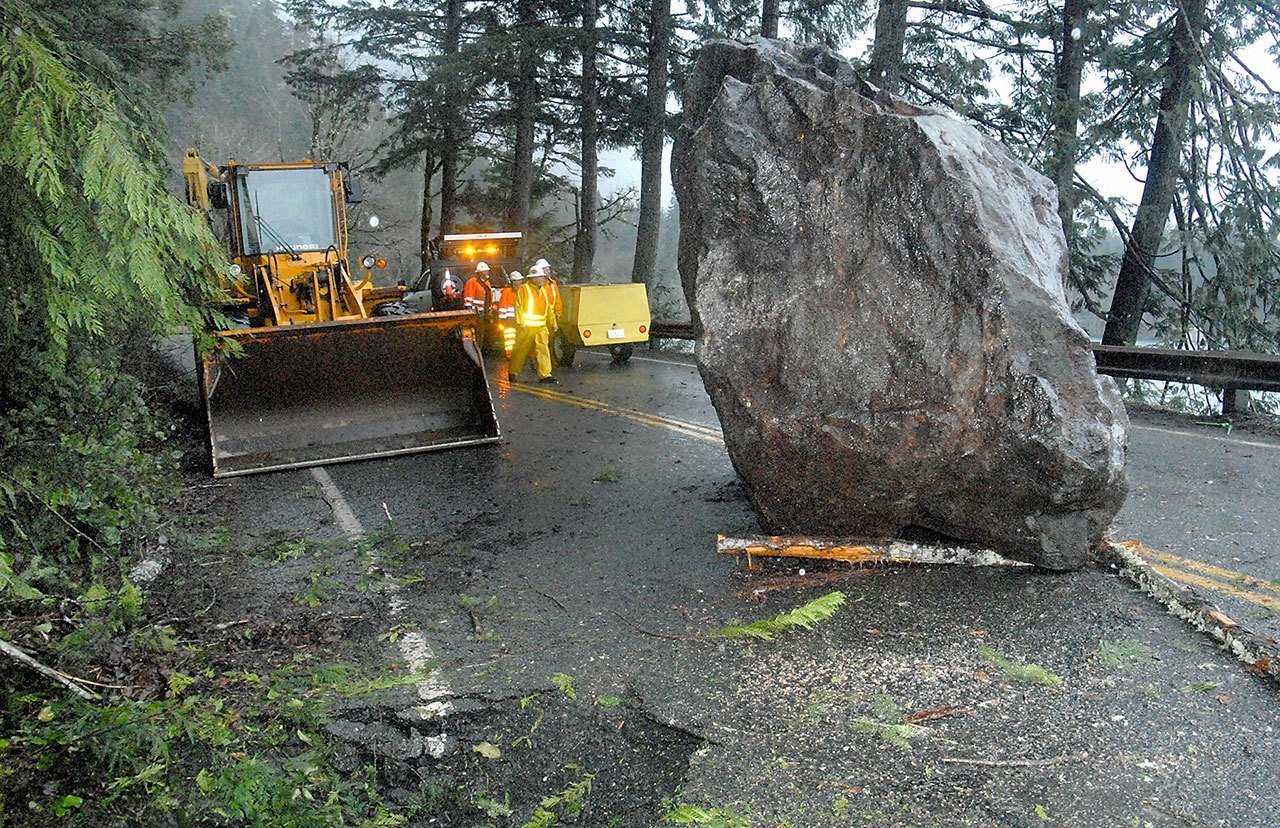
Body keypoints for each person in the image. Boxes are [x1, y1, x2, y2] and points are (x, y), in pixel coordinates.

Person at [510, 263, 557, 383]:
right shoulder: (524, 289)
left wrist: (553, 323)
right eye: (541, 277)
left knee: (543, 349)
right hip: (527, 327)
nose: (543, 279)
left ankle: (545, 374)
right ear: (533, 278)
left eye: (543, 277)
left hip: (541, 326)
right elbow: (518, 306)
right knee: (521, 350)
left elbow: (549, 308)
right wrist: (521, 323)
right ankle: (513, 371)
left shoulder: (544, 291)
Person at [496, 271, 522, 356]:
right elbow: (503, 306)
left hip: (518, 319)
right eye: (518, 280)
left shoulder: (521, 291)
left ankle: (518, 353)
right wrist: (503, 320)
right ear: (513, 281)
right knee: (509, 338)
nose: (520, 282)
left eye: (520, 280)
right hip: (509, 320)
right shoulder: (507, 292)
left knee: (519, 336)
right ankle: (510, 354)